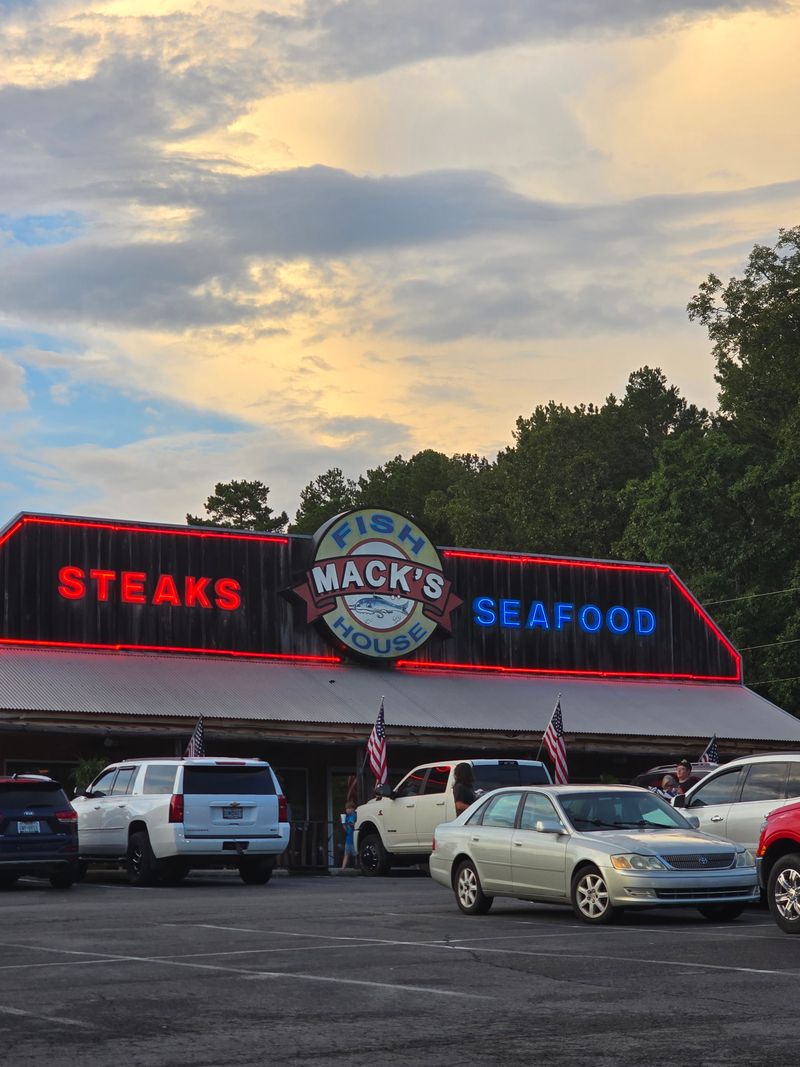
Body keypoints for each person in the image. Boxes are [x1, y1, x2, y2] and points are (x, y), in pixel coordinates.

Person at [341, 802, 357, 869]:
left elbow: (353, 825)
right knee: (346, 854)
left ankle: (358, 866)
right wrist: (343, 823)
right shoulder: (347, 817)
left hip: (354, 838)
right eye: (346, 808)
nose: (347, 810)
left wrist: (350, 824)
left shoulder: (354, 815)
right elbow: (346, 830)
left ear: (352, 809)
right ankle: (343, 867)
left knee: (356, 854)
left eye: (348, 808)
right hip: (348, 838)